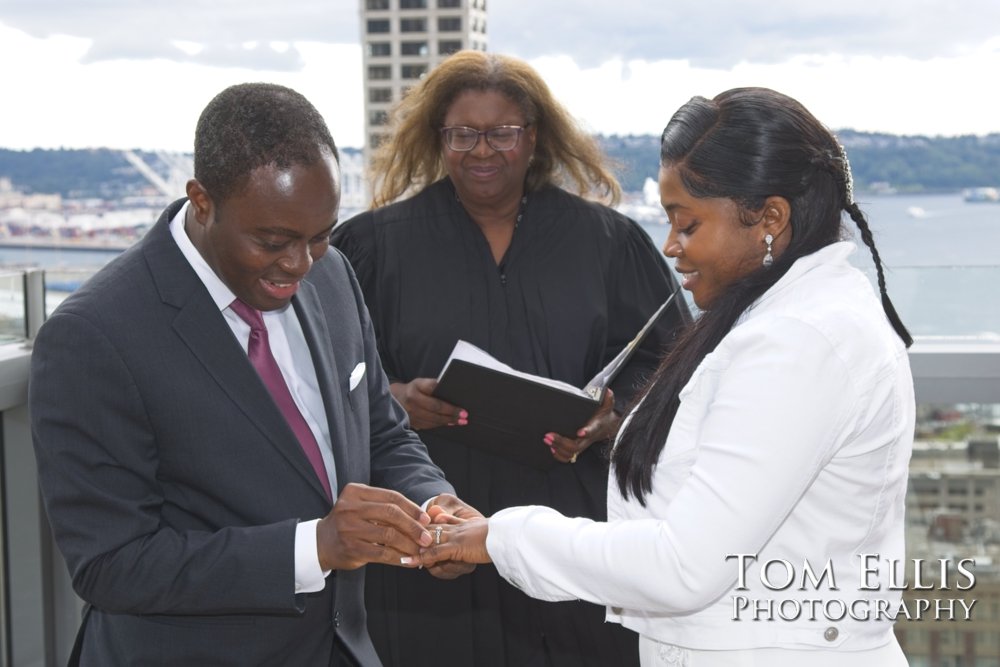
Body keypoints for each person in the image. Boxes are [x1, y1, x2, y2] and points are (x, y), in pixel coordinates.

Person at [420, 87, 916, 667]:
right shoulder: (785, 317)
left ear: (770, 219)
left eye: (688, 223)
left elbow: (686, 566)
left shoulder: (798, 343)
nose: (670, 246)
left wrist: (501, 538)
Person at [30, 82, 479, 666]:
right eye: (273, 242)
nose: (298, 265)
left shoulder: (334, 274)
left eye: (318, 236)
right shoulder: (92, 336)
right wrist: (312, 547)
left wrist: (435, 505)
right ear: (202, 201)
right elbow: (111, 564)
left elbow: (381, 431)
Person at [330, 50, 689, 667]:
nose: (482, 150)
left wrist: (613, 416)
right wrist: (395, 400)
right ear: (438, 139)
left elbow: (675, 366)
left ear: (535, 137)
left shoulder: (608, 242)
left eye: (502, 132)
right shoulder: (371, 246)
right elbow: (322, 378)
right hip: (428, 526)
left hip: (571, 527)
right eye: (463, 134)